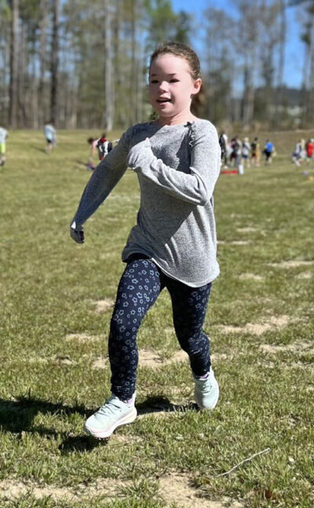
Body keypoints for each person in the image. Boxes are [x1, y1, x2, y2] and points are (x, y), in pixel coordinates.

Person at [70, 42, 222, 439]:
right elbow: (107, 172)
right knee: (122, 321)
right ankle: (122, 401)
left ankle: (203, 371)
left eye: (173, 79)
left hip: (193, 261)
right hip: (148, 249)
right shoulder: (138, 135)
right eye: (154, 80)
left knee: (189, 336)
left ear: (195, 86)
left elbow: (201, 189)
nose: (162, 88)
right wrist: (81, 214)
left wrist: (150, 165)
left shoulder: (200, 133)